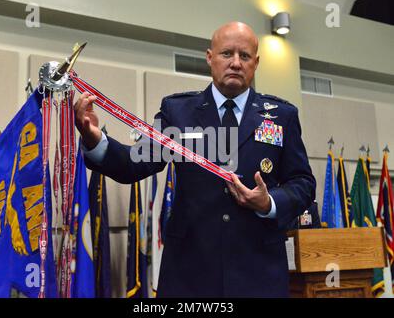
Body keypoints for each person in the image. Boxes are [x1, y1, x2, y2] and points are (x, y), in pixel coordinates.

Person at [74, 21, 316, 297]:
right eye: (227, 54)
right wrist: (95, 140)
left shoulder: (281, 115)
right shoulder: (179, 111)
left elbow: (303, 183)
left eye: (245, 56)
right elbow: (134, 164)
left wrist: (269, 202)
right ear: (210, 58)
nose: (236, 63)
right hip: (189, 275)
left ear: (256, 63)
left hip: (257, 274)